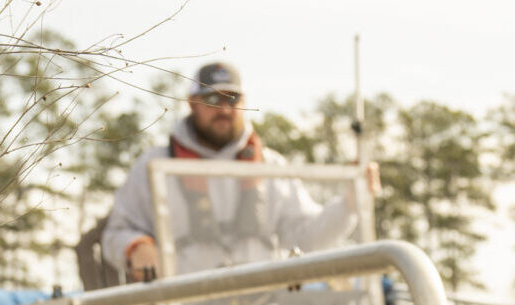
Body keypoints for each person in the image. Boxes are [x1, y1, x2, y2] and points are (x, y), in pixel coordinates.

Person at [100, 60, 366, 287]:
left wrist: (348, 205)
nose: (224, 110)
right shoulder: (154, 165)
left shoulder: (271, 166)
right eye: (212, 99)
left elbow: (307, 238)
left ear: (245, 102)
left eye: (232, 98)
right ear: (193, 103)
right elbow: (116, 233)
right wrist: (136, 246)